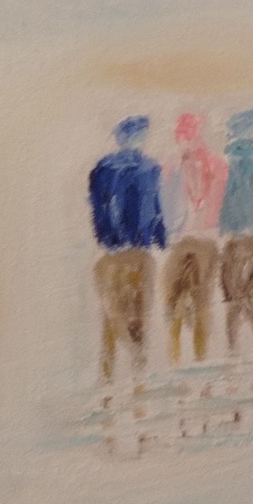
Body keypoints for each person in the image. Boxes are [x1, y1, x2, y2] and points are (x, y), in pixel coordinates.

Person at [88, 116, 166, 380]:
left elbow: (98, 209)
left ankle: (111, 376)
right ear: (141, 138)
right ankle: (138, 372)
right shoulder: (151, 168)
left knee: (111, 318)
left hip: (113, 253)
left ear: (119, 139)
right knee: (140, 318)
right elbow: (156, 209)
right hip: (142, 253)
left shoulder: (102, 169)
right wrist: (160, 238)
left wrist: (105, 237)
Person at [162, 111, 226, 363]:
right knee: (202, 302)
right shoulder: (217, 164)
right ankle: (199, 358)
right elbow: (220, 204)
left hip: (183, 241)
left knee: (174, 302)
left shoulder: (170, 167)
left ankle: (177, 358)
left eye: (185, 135)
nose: (186, 140)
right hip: (205, 240)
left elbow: (164, 208)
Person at [219, 109, 253, 357]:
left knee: (233, 305)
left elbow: (228, 199)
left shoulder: (232, 158)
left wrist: (224, 227)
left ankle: (233, 354)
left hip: (236, 238)